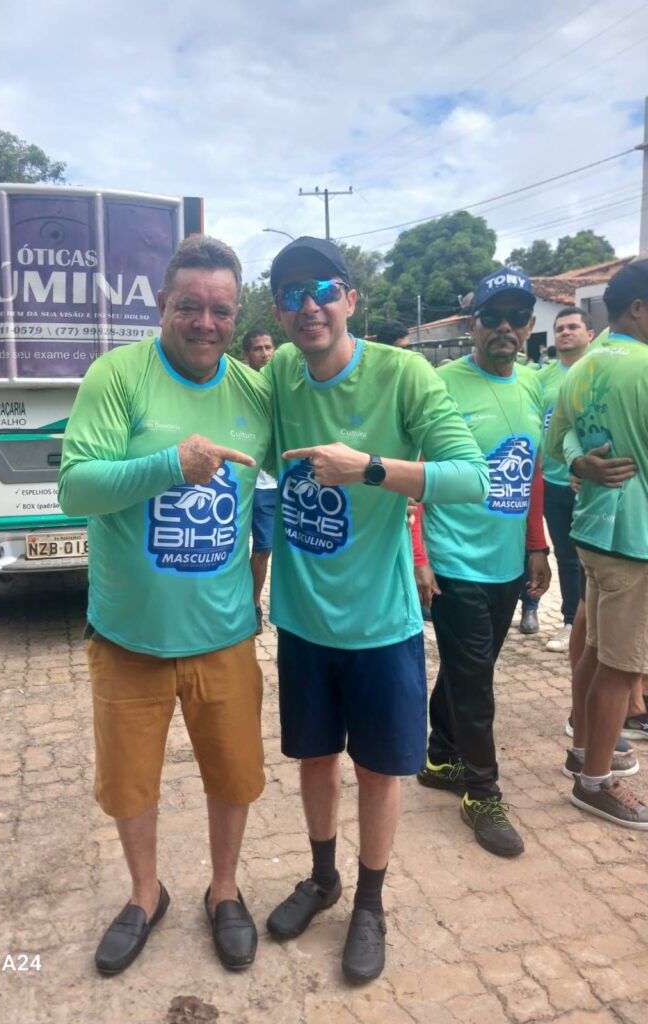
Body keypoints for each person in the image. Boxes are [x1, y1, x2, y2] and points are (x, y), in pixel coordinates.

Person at [262, 237, 489, 983]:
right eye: (291, 294)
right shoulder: (279, 375)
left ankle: (369, 902)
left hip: (381, 624)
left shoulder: (403, 373)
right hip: (302, 620)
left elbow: (472, 479)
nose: (309, 306)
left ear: (351, 299)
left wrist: (369, 468)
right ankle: (323, 878)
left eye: (323, 289)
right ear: (278, 312)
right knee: (314, 757)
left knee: (378, 770)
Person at [58, 237, 272, 974]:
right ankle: (145, 895)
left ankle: (224, 890)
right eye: (189, 306)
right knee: (129, 785)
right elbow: (75, 486)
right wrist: (170, 465)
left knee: (235, 775)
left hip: (224, 634)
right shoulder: (117, 376)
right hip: (129, 635)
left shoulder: (255, 392)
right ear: (161, 305)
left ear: (236, 314)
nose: (205, 323)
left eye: (221, 310)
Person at [414, 268, 551, 858]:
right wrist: (419, 556)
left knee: (470, 668)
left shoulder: (532, 385)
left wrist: (536, 545)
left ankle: (441, 756)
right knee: (476, 683)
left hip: (506, 564)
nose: (504, 328)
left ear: (529, 326)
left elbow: (533, 470)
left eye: (516, 318)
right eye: (491, 317)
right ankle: (482, 792)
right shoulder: (439, 384)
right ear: (472, 325)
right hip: (454, 561)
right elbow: (416, 474)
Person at [547, 258, 648, 828]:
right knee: (621, 665)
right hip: (636, 538)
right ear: (638, 308)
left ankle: (585, 748)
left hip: (592, 529)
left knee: (594, 647)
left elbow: (556, 442)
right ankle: (595, 781)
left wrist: (578, 461)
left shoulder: (580, 369)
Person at [537, 306, 595, 652]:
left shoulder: (600, 372)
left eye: (573, 326)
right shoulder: (542, 378)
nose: (565, 332)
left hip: (592, 484)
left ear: (590, 334)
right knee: (566, 556)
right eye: (560, 328)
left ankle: (595, 624)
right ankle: (572, 622)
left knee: (594, 557)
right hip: (553, 482)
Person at [241, 328, 277, 634]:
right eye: (257, 348)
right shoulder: (237, 388)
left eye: (268, 347)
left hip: (269, 486)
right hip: (239, 483)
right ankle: (234, 602)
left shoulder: (281, 390)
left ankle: (254, 604)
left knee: (263, 549)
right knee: (230, 547)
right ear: (246, 355)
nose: (264, 353)